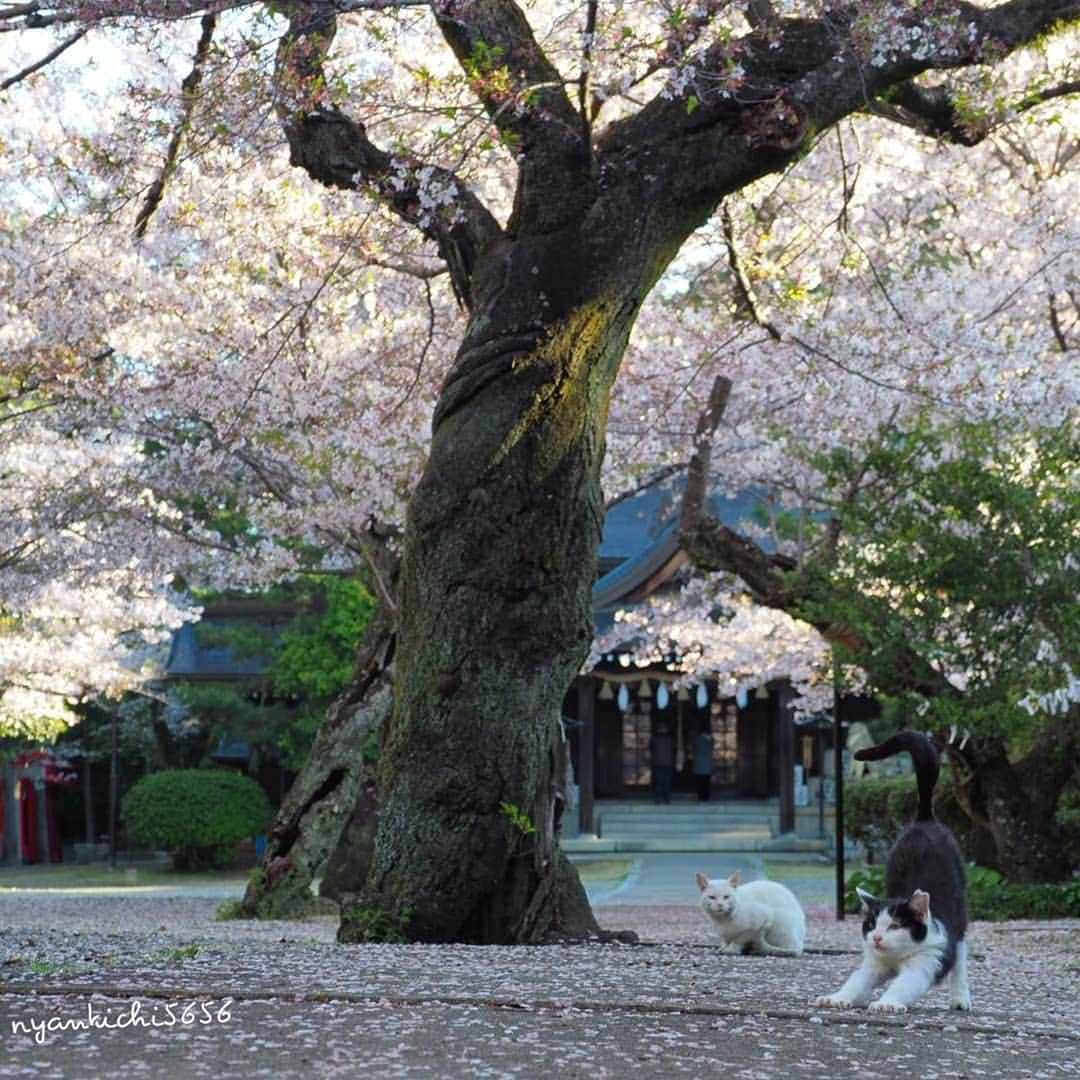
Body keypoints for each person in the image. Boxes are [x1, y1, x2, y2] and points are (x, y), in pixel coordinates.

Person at [650, 722, 675, 804]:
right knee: (667, 782)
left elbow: (651, 749)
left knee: (659, 782)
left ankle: (658, 799)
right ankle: (667, 799)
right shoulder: (670, 739)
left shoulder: (654, 739)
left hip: (658, 763)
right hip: (668, 763)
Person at [694, 726, 714, 802]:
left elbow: (695, 748)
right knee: (707, 782)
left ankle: (700, 797)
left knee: (700, 782)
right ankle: (706, 797)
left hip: (699, 764)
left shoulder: (698, 739)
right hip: (708, 764)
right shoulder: (711, 740)